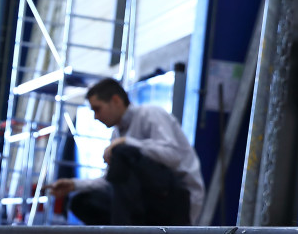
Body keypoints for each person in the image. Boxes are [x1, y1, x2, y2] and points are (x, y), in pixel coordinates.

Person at [47, 78, 205, 226]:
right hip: (146, 201)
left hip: (179, 200)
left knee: (123, 152)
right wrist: (74, 185)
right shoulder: (117, 134)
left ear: (116, 100)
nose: (95, 117)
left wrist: (127, 142)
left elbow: (173, 157)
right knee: (81, 202)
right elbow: (112, 181)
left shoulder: (150, 114)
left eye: (97, 109)